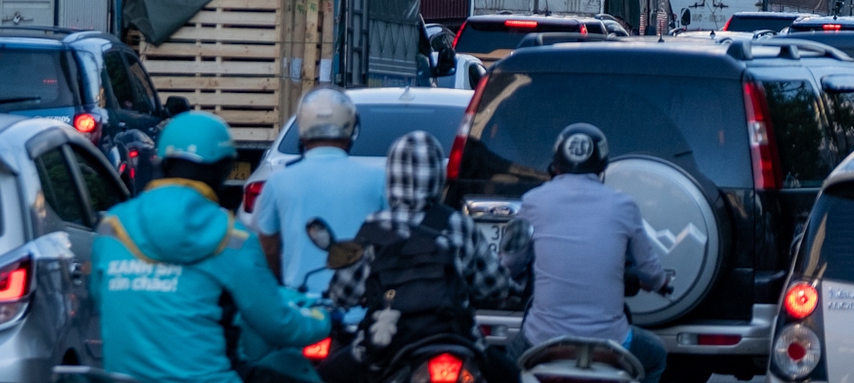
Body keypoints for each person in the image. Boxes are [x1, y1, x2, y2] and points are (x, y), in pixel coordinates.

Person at [92, 110, 331, 383]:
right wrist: (325, 319)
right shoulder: (232, 238)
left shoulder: (111, 227)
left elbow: (101, 301)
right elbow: (280, 326)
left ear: (163, 162)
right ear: (224, 170)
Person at [326, 131, 520, 383]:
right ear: (437, 176)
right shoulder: (460, 225)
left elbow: (343, 292)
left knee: (324, 376)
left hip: (385, 340)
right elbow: (494, 286)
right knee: (512, 375)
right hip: (456, 337)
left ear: (392, 175)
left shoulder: (373, 227)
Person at [496, 124, 673, 383]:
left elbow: (509, 262)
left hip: (541, 340)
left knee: (506, 369)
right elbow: (649, 269)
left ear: (555, 165)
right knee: (656, 355)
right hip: (611, 343)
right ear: (603, 167)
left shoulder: (533, 201)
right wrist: (661, 284)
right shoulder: (624, 206)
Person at [254, 88, 386, 294]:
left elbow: (267, 248)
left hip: (300, 310)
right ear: (351, 129)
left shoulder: (278, 181)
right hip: (362, 310)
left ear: (303, 130)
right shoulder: (378, 179)